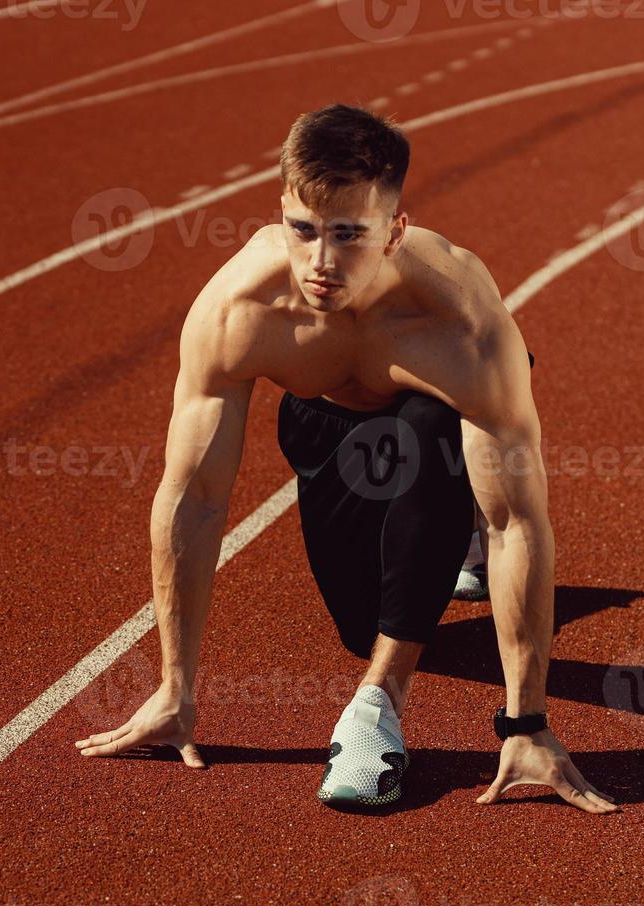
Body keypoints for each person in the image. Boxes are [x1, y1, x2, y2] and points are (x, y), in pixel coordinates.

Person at [75, 104, 616, 814]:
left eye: (349, 235)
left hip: (433, 414)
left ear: (395, 233)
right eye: (304, 230)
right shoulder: (240, 311)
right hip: (329, 429)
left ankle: (377, 704)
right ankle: (448, 555)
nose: (322, 263)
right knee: (363, 624)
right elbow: (196, 496)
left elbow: (518, 518)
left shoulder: (459, 325)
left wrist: (527, 723)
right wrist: (176, 687)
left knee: (439, 446)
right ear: (280, 215)